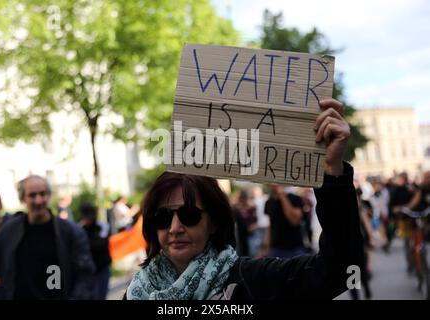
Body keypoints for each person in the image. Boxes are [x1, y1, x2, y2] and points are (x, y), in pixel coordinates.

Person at [125, 99, 364, 300]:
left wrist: (332, 171)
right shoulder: (137, 291)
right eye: (163, 217)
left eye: (189, 215)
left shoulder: (251, 281)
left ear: (214, 223)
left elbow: (340, 271)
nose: (175, 228)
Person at [0, 175, 96, 300]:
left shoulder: (70, 232)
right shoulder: (10, 230)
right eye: (32, 195)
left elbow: (85, 273)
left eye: (43, 194)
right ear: (23, 198)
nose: (38, 200)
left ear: (49, 196)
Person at [79, 202, 112, 300]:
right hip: (88, 270)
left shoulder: (103, 227)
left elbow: (101, 244)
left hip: (102, 268)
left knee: (101, 296)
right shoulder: (79, 229)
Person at [264, 185, 306, 259]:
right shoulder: (269, 202)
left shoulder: (294, 198)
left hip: (294, 249)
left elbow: (294, 220)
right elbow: (270, 225)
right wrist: (266, 247)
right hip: (275, 249)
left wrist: (282, 196)